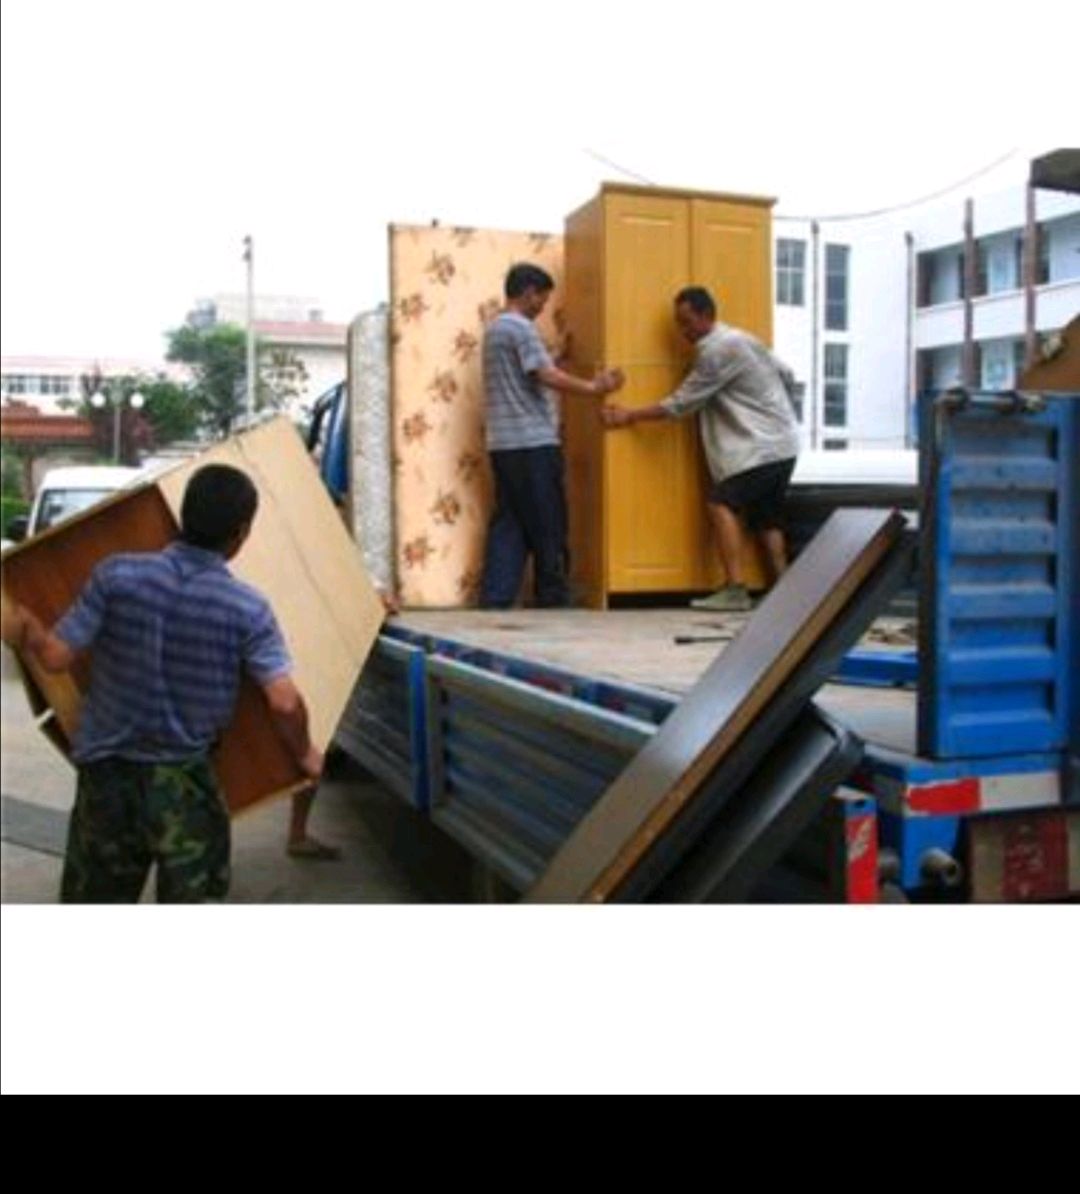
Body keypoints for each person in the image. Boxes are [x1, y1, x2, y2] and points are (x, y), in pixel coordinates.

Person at [0, 464, 323, 903]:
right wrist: (304, 753)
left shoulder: (116, 576)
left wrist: (28, 629)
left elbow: (55, 657)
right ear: (242, 532)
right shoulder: (247, 609)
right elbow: (284, 703)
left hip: (106, 780)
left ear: (184, 514)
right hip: (184, 787)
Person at [603, 286, 800, 612]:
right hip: (783, 444)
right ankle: (783, 591)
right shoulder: (742, 338)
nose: (683, 331)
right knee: (767, 517)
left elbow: (681, 404)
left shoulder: (717, 351)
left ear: (707, 315)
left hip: (760, 447)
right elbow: (787, 374)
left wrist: (629, 415)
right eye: (679, 324)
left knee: (721, 502)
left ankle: (735, 589)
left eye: (687, 322)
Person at [480, 262, 624, 609]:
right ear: (529, 292)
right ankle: (553, 595)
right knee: (549, 522)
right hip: (533, 443)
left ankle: (496, 597)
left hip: (503, 444)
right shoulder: (522, 329)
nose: (543, 306)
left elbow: (529, 369)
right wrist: (594, 387)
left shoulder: (495, 329)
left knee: (510, 522)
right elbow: (544, 375)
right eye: (542, 299)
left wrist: (556, 354)